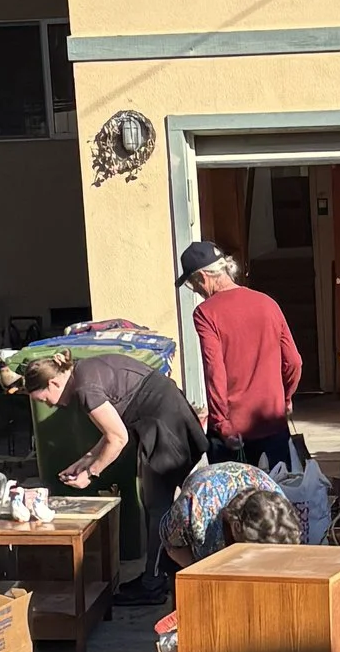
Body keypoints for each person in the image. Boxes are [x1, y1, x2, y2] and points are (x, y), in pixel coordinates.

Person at [21, 341, 204, 591]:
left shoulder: (85, 389)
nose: (50, 405)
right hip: (164, 415)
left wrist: (91, 473)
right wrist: (85, 461)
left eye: (45, 399)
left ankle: (156, 581)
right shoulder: (82, 374)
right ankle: (162, 574)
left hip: (165, 424)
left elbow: (118, 439)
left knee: (158, 503)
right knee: (158, 501)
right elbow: (111, 432)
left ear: (53, 383)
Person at [180, 239, 302, 465]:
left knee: (231, 498)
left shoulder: (206, 313)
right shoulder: (268, 303)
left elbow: (214, 370)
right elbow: (294, 361)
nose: (195, 290)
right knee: (276, 495)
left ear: (202, 277)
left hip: (233, 432)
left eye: (192, 284)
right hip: (273, 424)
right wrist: (285, 399)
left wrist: (221, 423)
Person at [162, 462, 303, 569]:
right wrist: (201, 572)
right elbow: (172, 546)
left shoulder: (277, 503)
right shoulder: (193, 511)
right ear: (236, 527)